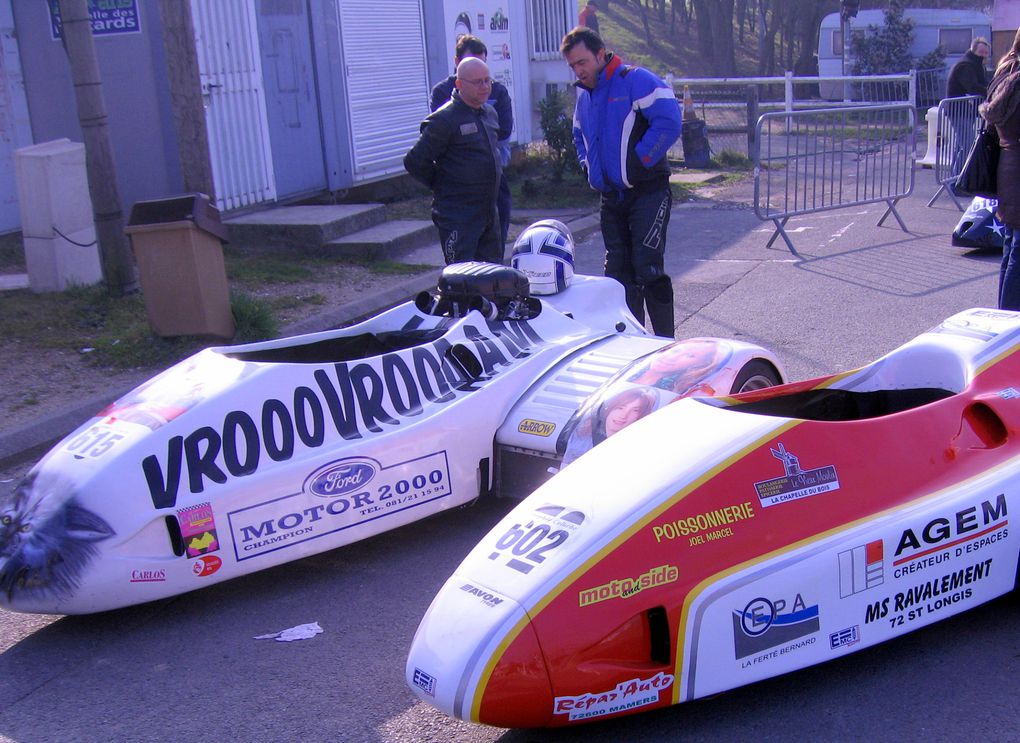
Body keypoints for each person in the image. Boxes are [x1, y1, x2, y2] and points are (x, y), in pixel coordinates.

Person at [560, 27, 682, 338]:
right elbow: (578, 135)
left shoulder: (634, 80)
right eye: (573, 65)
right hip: (611, 198)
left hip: (648, 192)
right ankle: (633, 345)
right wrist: (589, 166)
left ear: (601, 54)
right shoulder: (585, 96)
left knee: (648, 268)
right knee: (617, 277)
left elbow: (670, 120)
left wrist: (640, 160)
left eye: (582, 62)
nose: (579, 70)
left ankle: (666, 343)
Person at [404, 57, 503, 265]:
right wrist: (442, 184)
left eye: (487, 81)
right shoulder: (445, 119)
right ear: (459, 84)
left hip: (488, 213)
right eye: (477, 82)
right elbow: (415, 161)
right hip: (459, 216)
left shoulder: (490, 114)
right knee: (462, 281)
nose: (484, 87)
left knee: (493, 278)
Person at [430, 35, 514, 248]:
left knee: (493, 248)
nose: (483, 85)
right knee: (464, 260)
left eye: (483, 64)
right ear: (458, 63)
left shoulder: (497, 91)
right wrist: (442, 181)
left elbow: (503, 132)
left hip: (493, 180)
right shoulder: (443, 92)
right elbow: (436, 143)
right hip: (459, 190)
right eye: (472, 63)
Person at [979, 28, 1020, 310]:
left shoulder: (1006, 71)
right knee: (1017, 248)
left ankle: (1004, 315)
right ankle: (1011, 321)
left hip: (1008, 163)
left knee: (1011, 242)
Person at [561, 387, 657, 465]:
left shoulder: (640, 449)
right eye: (620, 407)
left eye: (635, 410)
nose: (624, 415)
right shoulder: (582, 436)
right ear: (609, 408)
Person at [627, 339, 730, 395]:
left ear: (698, 365)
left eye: (690, 356)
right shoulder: (632, 366)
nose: (672, 358)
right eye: (676, 350)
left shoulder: (679, 389)